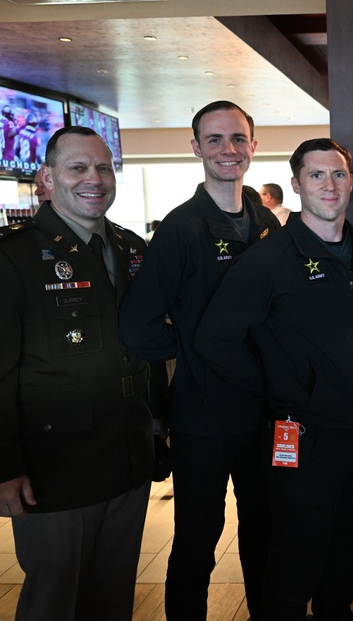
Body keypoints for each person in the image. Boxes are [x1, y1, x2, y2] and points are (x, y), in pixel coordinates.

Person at [0, 126, 160, 620]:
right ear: (47, 178)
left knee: (113, 595)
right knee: (55, 597)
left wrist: (157, 430)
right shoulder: (5, 254)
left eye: (104, 168)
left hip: (127, 457)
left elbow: (143, 350)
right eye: (78, 168)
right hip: (53, 465)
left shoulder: (130, 247)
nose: (95, 179)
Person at [196, 138, 353, 621]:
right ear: (297, 185)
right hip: (299, 434)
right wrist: (277, 384)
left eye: (338, 174)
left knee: (348, 547)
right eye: (316, 175)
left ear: (351, 183)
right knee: (296, 557)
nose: (329, 184)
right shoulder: (268, 259)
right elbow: (215, 339)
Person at [118, 100, 280, 620]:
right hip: (203, 419)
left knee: (265, 532)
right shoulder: (180, 229)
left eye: (237, 138)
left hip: (262, 414)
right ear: (196, 149)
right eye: (214, 140)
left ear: (253, 145)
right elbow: (138, 327)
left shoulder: (265, 222)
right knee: (196, 542)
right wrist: (193, 350)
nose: (227, 150)